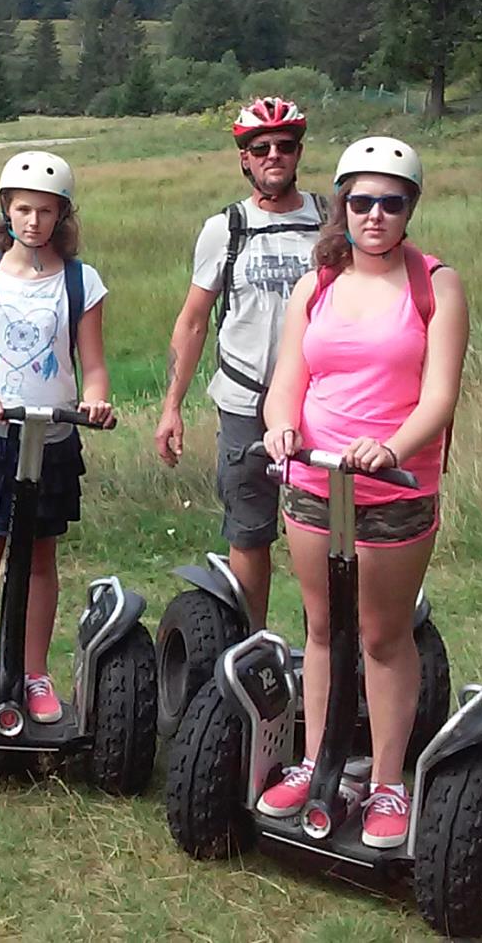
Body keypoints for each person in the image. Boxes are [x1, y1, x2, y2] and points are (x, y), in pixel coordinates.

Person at [255, 135, 469, 850]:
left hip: (395, 487)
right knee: (320, 629)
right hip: (314, 479)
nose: (374, 215)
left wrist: (393, 450)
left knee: (381, 635)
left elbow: (439, 397)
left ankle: (385, 782)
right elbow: (291, 377)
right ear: (340, 204)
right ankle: (317, 763)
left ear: (410, 208)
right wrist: (281, 426)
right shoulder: (316, 284)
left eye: (391, 202)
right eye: (360, 201)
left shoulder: (434, 284)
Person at [0, 151, 115, 725]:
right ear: (5, 210)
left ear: (62, 214)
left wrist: (95, 399)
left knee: (40, 556)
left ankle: (36, 672)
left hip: (52, 436)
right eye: (23, 209)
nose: (34, 222)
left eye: (45, 211)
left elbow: (92, 364)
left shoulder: (79, 279)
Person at [154, 98, 327, 628]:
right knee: (249, 532)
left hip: (317, 405)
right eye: (261, 148)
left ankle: (328, 649)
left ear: (299, 152)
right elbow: (192, 321)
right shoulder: (225, 228)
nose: (274, 155)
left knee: (325, 533)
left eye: (285, 145)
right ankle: (254, 646)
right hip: (243, 401)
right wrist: (172, 406)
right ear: (244, 160)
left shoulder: (331, 222)